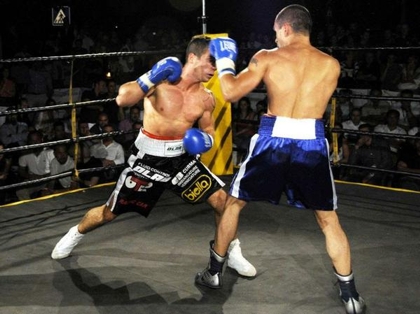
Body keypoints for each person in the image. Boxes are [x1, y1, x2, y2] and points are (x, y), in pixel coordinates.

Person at [195, 6, 365, 314]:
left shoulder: (268, 57)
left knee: (234, 204)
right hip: (311, 142)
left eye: (276, 32)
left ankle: (214, 273)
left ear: (285, 28)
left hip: (273, 139)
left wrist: (223, 62)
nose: (274, 36)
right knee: (328, 219)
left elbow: (231, 92)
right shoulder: (331, 65)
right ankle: (350, 294)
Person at [51, 36, 256, 279]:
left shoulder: (206, 97)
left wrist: (206, 141)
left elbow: (210, 131)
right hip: (147, 160)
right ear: (192, 57)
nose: (215, 68)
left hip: (182, 159)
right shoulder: (161, 83)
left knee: (223, 202)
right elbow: (122, 98)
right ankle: (76, 233)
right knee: (109, 213)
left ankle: (231, 250)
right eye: (211, 61)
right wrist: (151, 75)